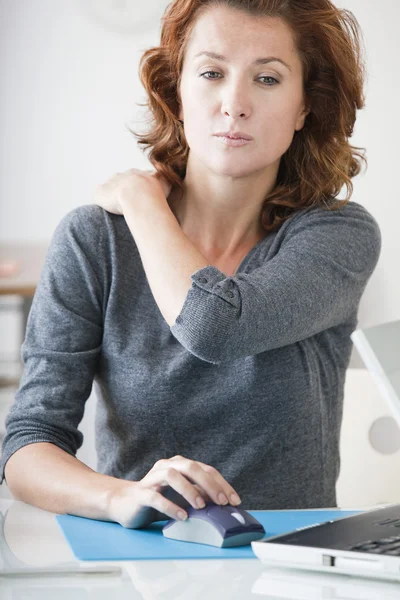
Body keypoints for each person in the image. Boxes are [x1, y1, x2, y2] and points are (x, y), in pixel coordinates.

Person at [0, 0, 381, 529]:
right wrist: (118, 497)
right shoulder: (94, 241)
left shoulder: (337, 236)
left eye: (267, 79)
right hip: (137, 565)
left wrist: (142, 201)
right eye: (211, 73)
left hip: (287, 568)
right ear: (176, 91)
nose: (235, 103)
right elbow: (27, 447)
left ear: (303, 107)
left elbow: (213, 326)